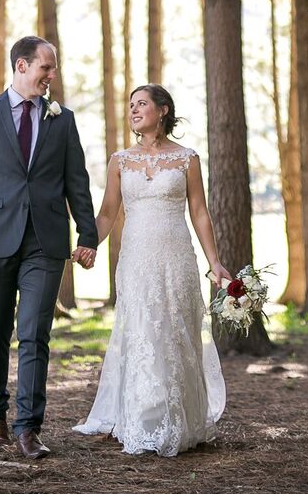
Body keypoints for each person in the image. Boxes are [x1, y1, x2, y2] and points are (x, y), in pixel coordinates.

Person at [0, 36, 98, 460]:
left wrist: (87, 235)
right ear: (22, 65)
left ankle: (29, 428)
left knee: (35, 334)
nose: (51, 76)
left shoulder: (62, 120)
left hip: (45, 241)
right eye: (45, 68)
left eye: (53, 69)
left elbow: (77, 181)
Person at [73, 84, 230, 457]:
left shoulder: (187, 159)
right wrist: (89, 243)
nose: (133, 110)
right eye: (131, 105)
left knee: (176, 334)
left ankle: (181, 420)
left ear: (163, 110)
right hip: (136, 260)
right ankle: (143, 421)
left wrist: (215, 262)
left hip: (177, 258)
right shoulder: (120, 161)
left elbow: (200, 212)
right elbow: (108, 212)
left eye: (141, 104)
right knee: (143, 332)